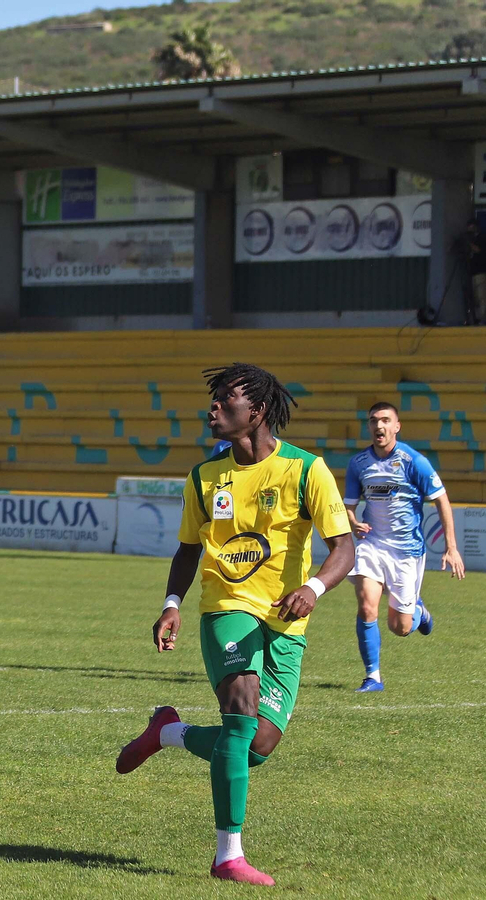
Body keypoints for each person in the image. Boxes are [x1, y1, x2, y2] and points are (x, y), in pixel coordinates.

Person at [115, 363, 355, 886]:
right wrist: (172, 603)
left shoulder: (306, 470)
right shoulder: (204, 476)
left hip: (285, 621)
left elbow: (344, 548)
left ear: (258, 411)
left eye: (226, 400)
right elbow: (187, 548)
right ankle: (229, 856)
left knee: (257, 746)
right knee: (241, 710)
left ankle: (167, 732)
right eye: (215, 399)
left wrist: (313, 588)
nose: (214, 408)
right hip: (225, 609)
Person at [344, 402, 466, 692]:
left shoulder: (414, 461)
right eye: (374, 420)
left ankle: (419, 613)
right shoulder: (358, 463)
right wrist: (353, 522)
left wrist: (451, 547)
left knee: (399, 627)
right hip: (372, 545)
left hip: (406, 551)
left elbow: (442, 500)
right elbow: (348, 506)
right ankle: (373, 677)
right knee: (366, 605)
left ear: (397, 426)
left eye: (386, 420)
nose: (379, 425)